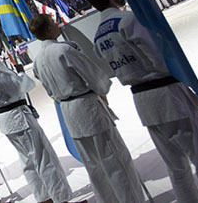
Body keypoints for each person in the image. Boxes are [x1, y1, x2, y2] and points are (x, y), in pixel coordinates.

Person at [83, 0, 198, 203]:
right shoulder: (128, 21)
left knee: (177, 169)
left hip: (144, 101)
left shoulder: (98, 36)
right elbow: (159, 58)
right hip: (167, 94)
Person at [28, 14, 145, 203]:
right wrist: (102, 91)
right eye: (52, 23)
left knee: (94, 167)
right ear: (48, 29)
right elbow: (93, 75)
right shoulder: (64, 50)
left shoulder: (37, 61)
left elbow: (49, 90)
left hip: (69, 112)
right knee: (116, 161)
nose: (57, 25)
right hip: (88, 107)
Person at [0, 32, 83, 203]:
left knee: (29, 161)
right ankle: (61, 198)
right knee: (43, 158)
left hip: (5, 116)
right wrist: (20, 74)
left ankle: (44, 197)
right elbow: (16, 87)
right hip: (16, 115)